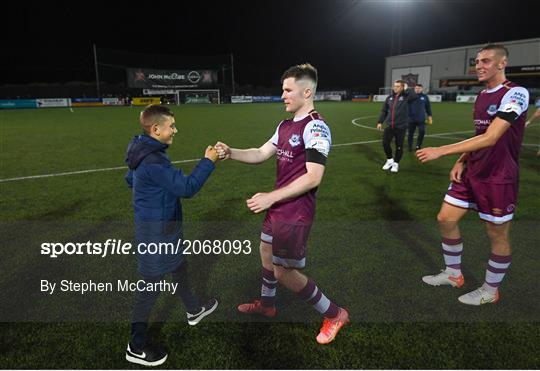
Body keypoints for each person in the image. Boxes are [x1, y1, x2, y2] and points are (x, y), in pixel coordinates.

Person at [215, 64, 348, 345]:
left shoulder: (316, 127)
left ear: (307, 91)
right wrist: (232, 153)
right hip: (279, 207)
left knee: (285, 272)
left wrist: (270, 197)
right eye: (283, 89)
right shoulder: (285, 126)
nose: (283, 95)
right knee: (265, 250)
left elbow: (314, 177)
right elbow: (260, 153)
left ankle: (335, 313)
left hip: (295, 211)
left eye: (288, 90)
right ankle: (267, 304)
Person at [416, 44, 529, 305]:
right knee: (445, 218)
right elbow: (480, 135)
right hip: (472, 171)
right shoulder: (481, 96)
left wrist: (441, 150)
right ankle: (454, 274)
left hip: (498, 176)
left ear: (502, 64)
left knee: (496, 234)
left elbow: (491, 138)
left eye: (486, 61)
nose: (479, 65)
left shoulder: (516, 93)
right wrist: (461, 159)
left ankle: (490, 290)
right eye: (477, 61)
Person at [124, 105, 220, 366]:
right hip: (155, 235)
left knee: (179, 268)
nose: (175, 130)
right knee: (150, 289)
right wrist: (208, 161)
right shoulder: (153, 161)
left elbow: (130, 179)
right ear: (156, 129)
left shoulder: (143, 151)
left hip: (164, 230)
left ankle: (194, 310)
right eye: (171, 126)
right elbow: (186, 188)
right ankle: (135, 346)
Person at [376, 80, 417, 173]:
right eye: (394, 86)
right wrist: (380, 121)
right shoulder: (389, 98)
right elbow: (384, 111)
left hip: (401, 127)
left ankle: (396, 163)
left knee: (399, 146)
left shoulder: (406, 97)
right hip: (390, 125)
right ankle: (390, 160)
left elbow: (414, 96)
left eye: (398, 86)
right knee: (385, 143)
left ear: (402, 87)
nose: (395, 88)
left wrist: (408, 89)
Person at [407, 84, 433, 151]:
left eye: (419, 88)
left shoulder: (425, 97)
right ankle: (410, 146)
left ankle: (418, 145)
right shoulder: (410, 96)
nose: (417, 89)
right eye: (416, 88)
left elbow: (428, 107)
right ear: (414, 89)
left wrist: (429, 116)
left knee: (422, 132)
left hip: (421, 119)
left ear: (421, 89)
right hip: (411, 119)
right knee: (410, 133)